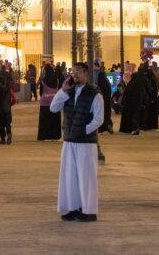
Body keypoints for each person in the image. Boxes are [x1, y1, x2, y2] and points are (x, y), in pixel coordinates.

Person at [50, 62, 103, 222]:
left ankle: (89, 210)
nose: (75, 74)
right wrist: (62, 90)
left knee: (86, 176)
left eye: (78, 71)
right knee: (69, 176)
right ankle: (73, 207)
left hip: (86, 143)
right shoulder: (68, 92)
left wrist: (84, 130)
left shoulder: (94, 94)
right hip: (69, 141)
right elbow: (53, 107)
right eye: (73, 71)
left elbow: (99, 119)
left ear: (86, 73)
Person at [37, 65, 62, 141]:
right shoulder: (57, 80)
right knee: (55, 120)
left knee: (45, 120)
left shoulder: (43, 81)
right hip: (55, 102)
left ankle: (44, 136)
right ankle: (55, 136)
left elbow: (41, 92)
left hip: (45, 103)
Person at [0, 66, 14, 144]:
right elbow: (14, 98)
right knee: (8, 123)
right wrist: (10, 104)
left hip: (0, 108)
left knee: (1, 124)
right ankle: (9, 134)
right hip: (7, 108)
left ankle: (3, 139)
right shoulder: (9, 89)